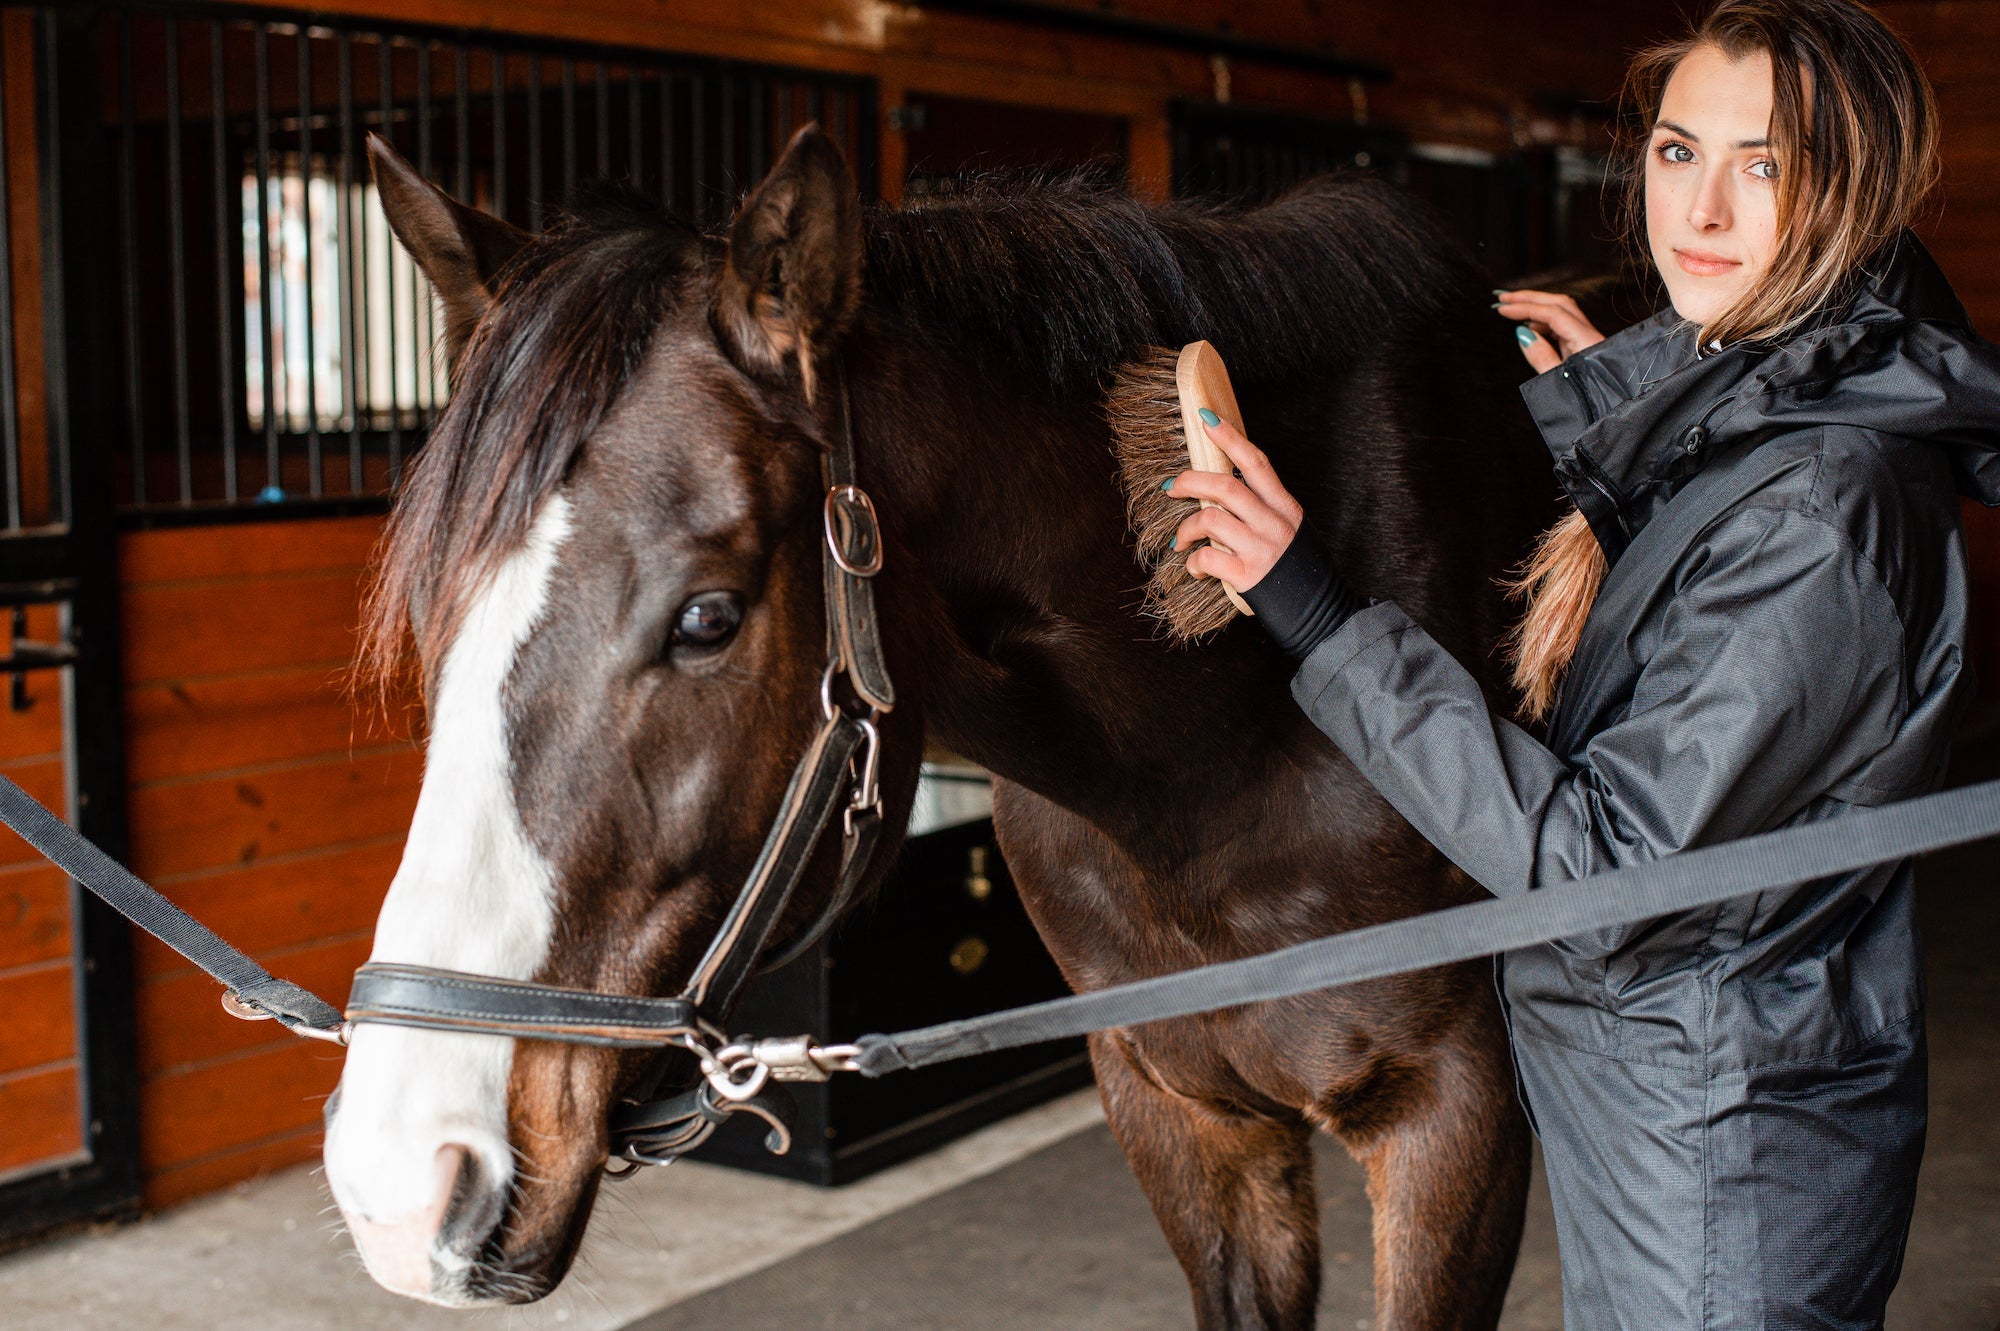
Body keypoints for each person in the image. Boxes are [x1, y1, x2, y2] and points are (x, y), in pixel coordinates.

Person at [1163, 0, 2000, 1323]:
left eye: (1764, 165)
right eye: (1677, 153)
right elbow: (1707, 620)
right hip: (1691, 1098)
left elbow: (1607, 870)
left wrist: (1316, 610)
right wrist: (1633, 427)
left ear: (1855, 193)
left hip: (1726, 1146)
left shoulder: (1829, 511)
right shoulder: (1801, 406)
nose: (1700, 211)